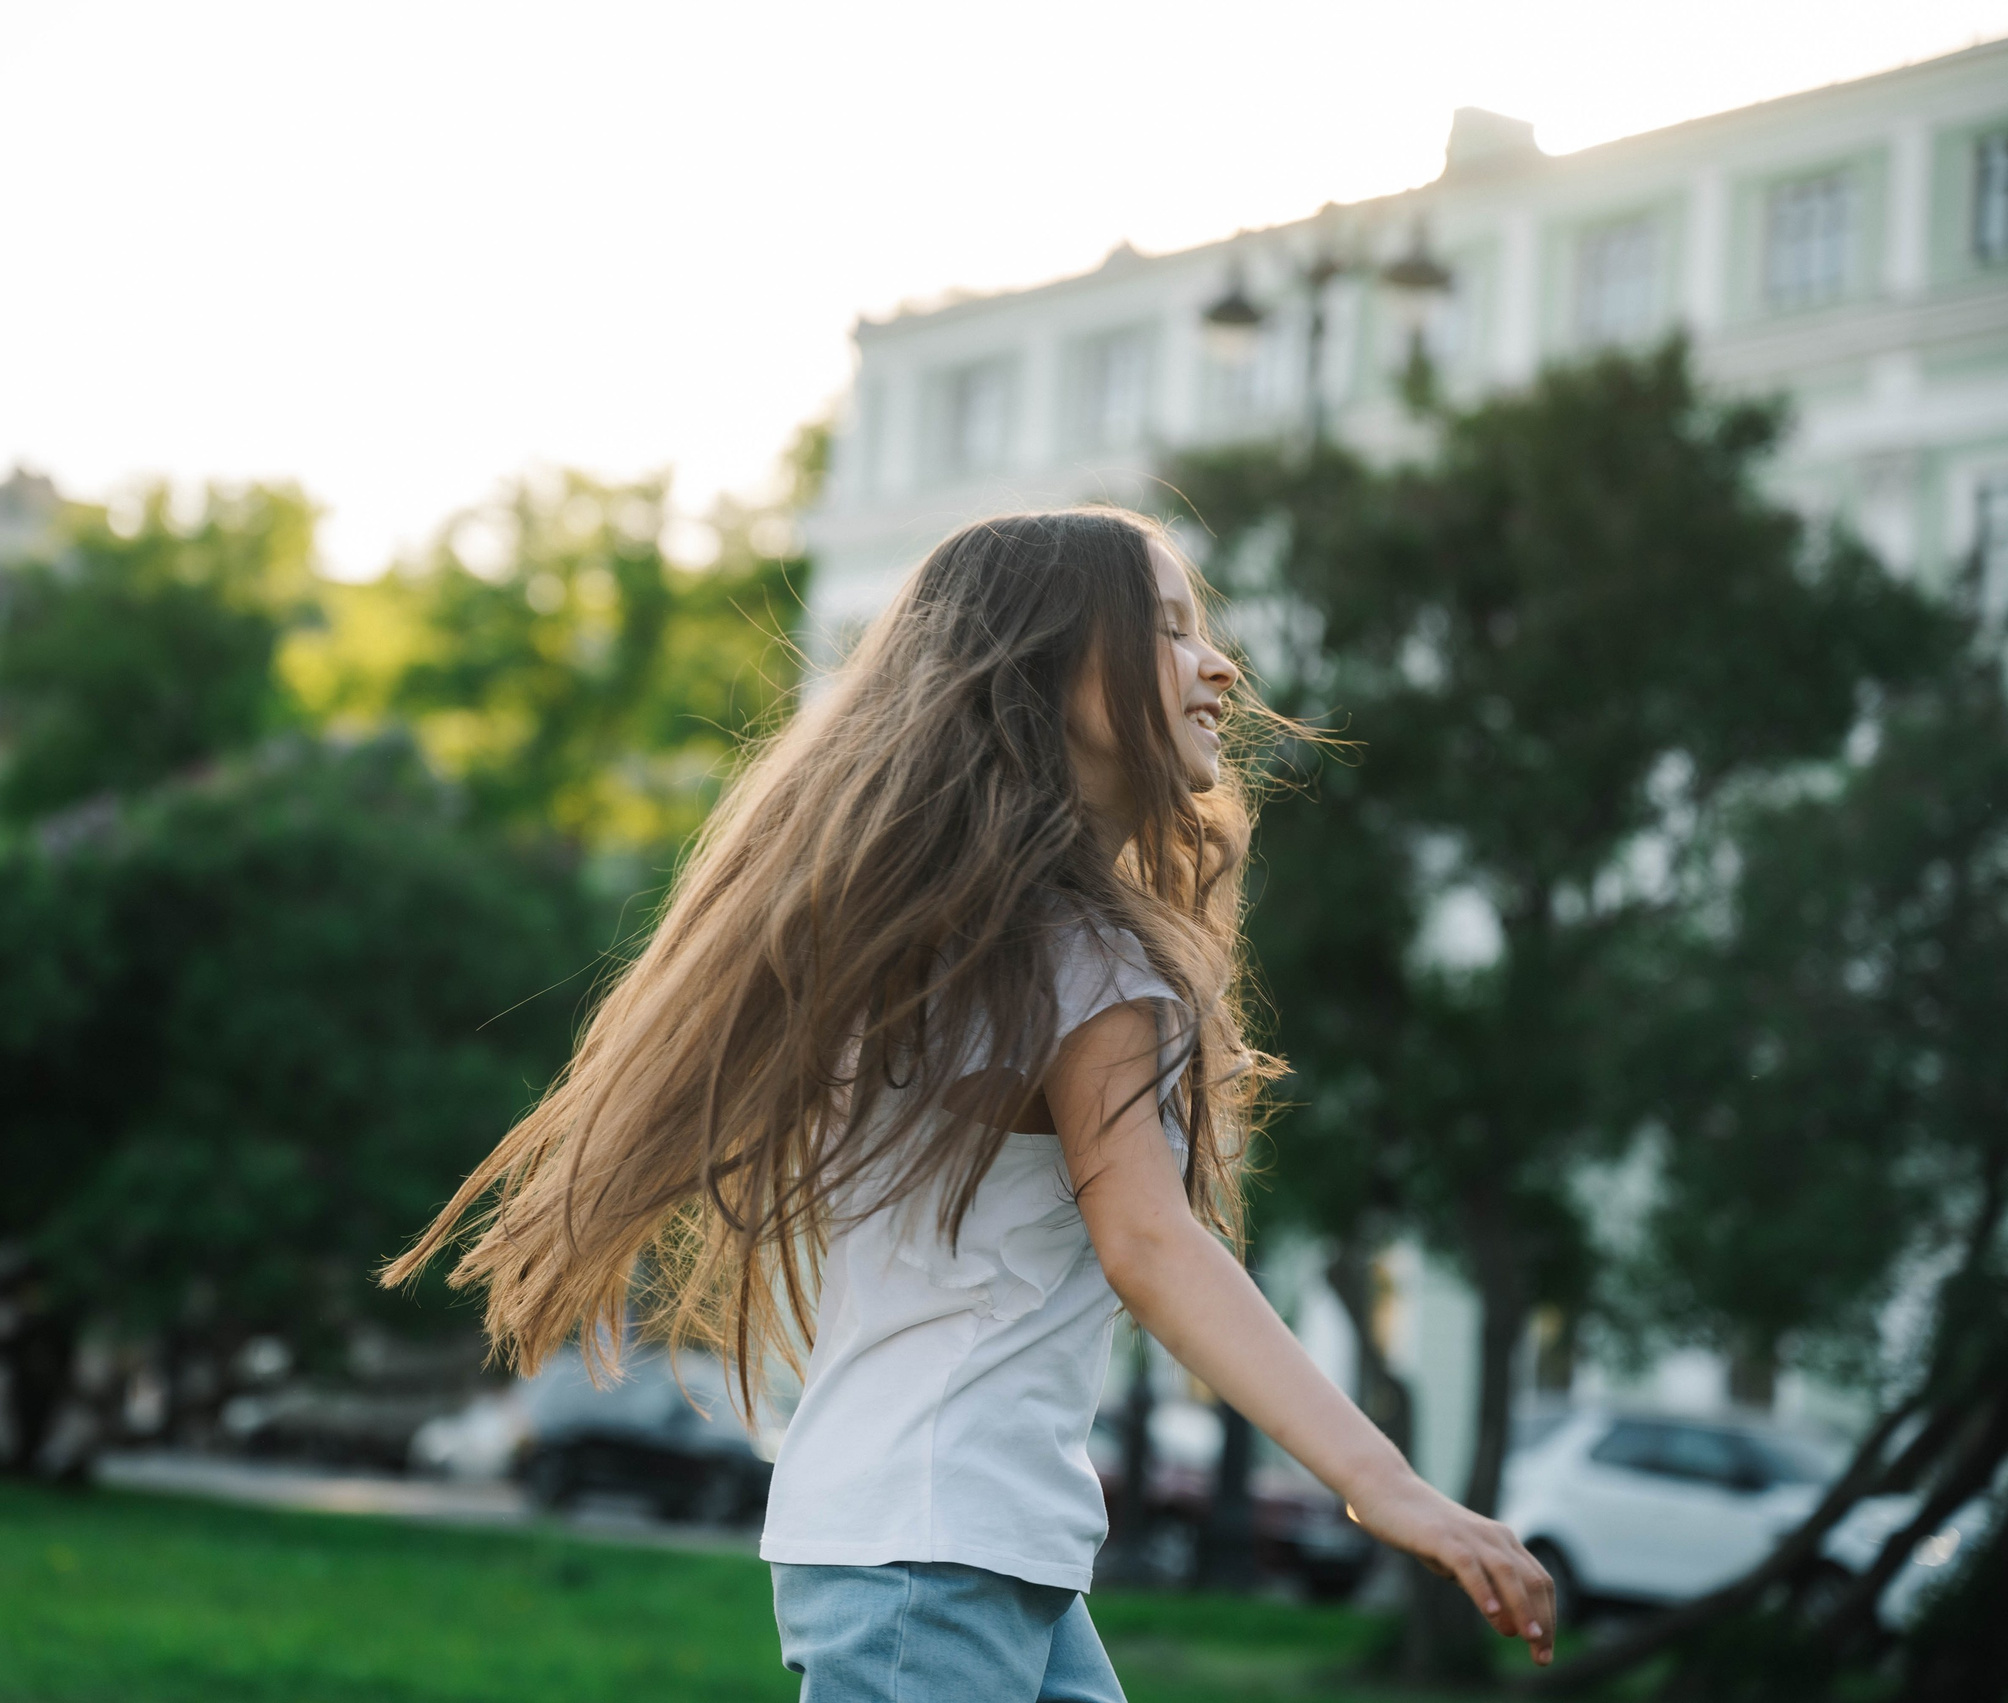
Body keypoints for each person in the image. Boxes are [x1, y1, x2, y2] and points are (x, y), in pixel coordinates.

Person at [385, 509, 1554, 1700]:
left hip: (956, 1543)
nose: (1218, 667)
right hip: (934, 1554)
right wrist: (1385, 1483)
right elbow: (1151, 1242)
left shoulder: (962, 948)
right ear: (1049, 667)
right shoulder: (1078, 965)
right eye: (1165, 630)